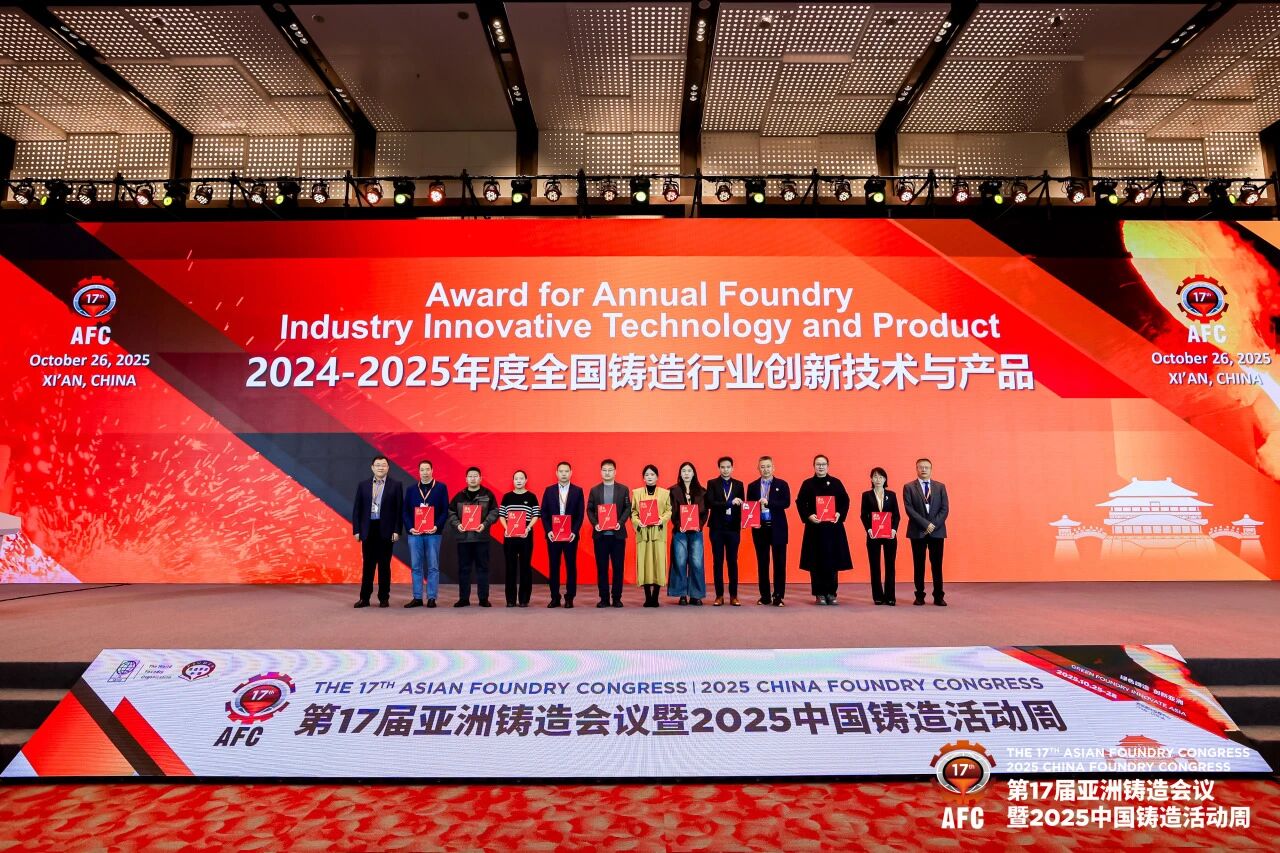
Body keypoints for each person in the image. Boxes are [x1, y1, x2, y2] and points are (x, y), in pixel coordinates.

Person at [796, 454, 852, 605]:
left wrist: (839, 513)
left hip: (833, 529)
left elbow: (845, 501)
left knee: (832, 561)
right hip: (814, 529)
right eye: (818, 464)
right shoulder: (807, 484)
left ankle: (831, 593)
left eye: (823, 464)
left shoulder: (836, 483)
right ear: (814, 466)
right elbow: (800, 502)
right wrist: (809, 516)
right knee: (815, 561)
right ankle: (819, 593)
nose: (820, 467)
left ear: (828, 466)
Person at [351, 454, 402, 608]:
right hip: (368, 529)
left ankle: (384, 598)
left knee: (384, 565)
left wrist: (397, 530)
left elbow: (399, 510)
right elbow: (357, 509)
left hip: (386, 529)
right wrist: (357, 530)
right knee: (368, 565)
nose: (381, 468)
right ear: (372, 467)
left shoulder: (396, 485)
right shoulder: (363, 485)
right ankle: (364, 598)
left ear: (388, 468)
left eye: (383, 465)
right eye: (378, 465)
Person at [447, 466, 499, 608]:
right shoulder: (459, 496)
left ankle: (483, 598)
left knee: (483, 569)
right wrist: (458, 525)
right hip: (464, 539)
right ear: (466, 479)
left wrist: (485, 524)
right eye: (470, 476)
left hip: (481, 538)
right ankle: (464, 599)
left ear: (480, 478)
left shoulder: (488, 494)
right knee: (464, 569)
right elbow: (450, 512)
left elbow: (495, 512)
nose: (473, 478)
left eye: (475, 476)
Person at [402, 459, 449, 609]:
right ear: (419, 472)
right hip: (415, 533)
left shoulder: (441, 488)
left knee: (433, 566)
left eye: (427, 469)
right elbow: (405, 512)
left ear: (432, 470)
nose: (425, 472)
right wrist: (410, 528)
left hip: (433, 533)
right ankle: (417, 598)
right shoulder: (411, 489)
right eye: (422, 470)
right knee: (416, 566)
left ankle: (431, 597)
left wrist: (436, 526)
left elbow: (445, 510)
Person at [903, 457, 949, 606]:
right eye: (920, 467)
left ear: (931, 469)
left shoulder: (940, 486)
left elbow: (945, 509)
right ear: (916, 469)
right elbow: (909, 509)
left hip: (937, 531)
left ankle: (938, 596)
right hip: (918, 531)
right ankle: (919, 596)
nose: (923, 469)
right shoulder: (909, 487)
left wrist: (933, 525)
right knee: (918, 565)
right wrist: (925, 524)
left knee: (937, 565)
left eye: (926, 467)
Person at [587, 459, 631, 608]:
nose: (607, 473)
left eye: (610, 470)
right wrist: (595, 524)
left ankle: (617, 598)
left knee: (618, 568)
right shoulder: (594, 490)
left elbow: (628, 508)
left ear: (615, 472)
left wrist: (621, 522)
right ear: (601, 472)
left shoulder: (623, 489)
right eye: (604, 470)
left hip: (618, 535)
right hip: (600, 536)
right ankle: (604, 598)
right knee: (602, 568)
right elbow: (589, 509)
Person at [747, 456, 791, 607]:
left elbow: (786, 503)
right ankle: (765, 596)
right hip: (760, 528)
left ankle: (778, 596)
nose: (765, 469)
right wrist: (752, 522)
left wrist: (768, 503)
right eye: (762, 467)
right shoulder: (752, 486)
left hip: (778, 527)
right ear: (758, 469)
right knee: (762, 562)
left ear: (773, 468)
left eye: (768, 466)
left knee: (779, 563)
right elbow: (750, 507)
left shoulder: (782, 484)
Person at [540, 461, 584, 608]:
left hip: (570, 536)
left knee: (571, 566)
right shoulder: (549, 490)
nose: (564, 474)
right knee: (554, 567)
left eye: (566, 471)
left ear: (571, 473)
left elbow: (580, 514)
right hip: (553, 536)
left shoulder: (578, 491)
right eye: (561, 471)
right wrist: (549, 531)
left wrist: (574, 532)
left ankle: (570, 597)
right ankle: (555, 597)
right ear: (556, 473)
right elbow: (544, 512)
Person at [705, 455, 745, 606]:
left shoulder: (739, 485)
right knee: (718, 561)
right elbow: (710, 503)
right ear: (719, 468)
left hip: (733, 528)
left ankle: (734, 596)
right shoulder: (712, 483)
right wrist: (729, 503)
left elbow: (742, 506)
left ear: (732, 468)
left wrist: (745, 518)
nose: (725, 470)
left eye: (728, 467)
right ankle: (719, 595)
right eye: (722, 467)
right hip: (717, 528)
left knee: (733, 561)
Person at [859, 467, 901, 606]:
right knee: (874, 565)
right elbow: (863, 515)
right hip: (873, 535)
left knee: (890, 565)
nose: (878, 479)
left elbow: (897, 515)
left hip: (890, 535)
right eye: (875, 476)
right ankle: (877, 596)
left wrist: (894, 529)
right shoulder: (866, 495)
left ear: (885, 479)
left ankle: (890, 596)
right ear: (871, 479)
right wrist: (869, 529)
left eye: (881, 477)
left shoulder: (892, 495)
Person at [631, 464, 672, 608]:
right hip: (643, 534)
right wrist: (638, 522)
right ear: (643, 477)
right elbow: (633, 512)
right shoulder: (636, 493)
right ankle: (647, 597)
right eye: (647, 475)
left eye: (652, 474)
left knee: (658, 563)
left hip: (658, 533)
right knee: (645, 564)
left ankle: (655, 597)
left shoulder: (665, 493)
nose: (649, 477)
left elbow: (669, 510)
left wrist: (662, 519)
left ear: (657, 477)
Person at [668, 462, 707, 606]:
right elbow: (671, 511)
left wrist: (699, 525)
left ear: (694, 473)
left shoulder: (702, 491)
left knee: (697, 562)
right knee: (680, 561)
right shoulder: (673, 491)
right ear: (680, 473)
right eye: (683, 471)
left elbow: (705, 512)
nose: (686, 473)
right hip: (680, 531)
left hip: (696, 532)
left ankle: (696, 595)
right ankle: (682, 594)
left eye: (689, 471)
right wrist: (679, 525)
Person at [499, 470, 539, 608]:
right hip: (510, 537)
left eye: (521, 478)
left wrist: (528, 528)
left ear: (526, 480)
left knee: (525, 567)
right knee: (510, 567)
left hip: (525, 536)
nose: (519, 481)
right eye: (516, 478)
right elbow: (502, 515)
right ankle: (510, 599)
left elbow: (535, 515)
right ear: (513, 480)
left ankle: (524, 599)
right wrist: (507, 528)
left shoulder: (531, 497)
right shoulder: (507, 497)